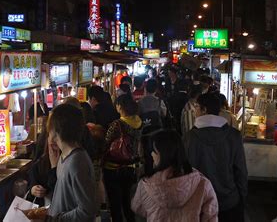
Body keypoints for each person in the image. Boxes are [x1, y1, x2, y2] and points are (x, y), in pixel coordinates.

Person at [184, 93, 248, 222]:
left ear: (204, 109)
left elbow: (186, 171)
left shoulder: (189, 137)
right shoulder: (234, 136)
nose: (194, 111)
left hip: (200, 202)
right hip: (229, 201)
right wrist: (242, 198)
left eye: (196, 107)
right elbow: (241, 170)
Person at [131, 130, 218, 221]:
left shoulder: (145, 186)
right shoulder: (203, 184)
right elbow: (210, 217)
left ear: (163, 154)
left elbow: (138, 208)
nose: (152, 154)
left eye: (154, 151)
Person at [47, 104, 97, 221]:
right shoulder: (64, 157)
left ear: (56, 130)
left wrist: (56, 219)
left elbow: (87, 210)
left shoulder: (77, 163)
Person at [103, 94, 142, 222]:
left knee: (115, 203)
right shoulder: (139, 122)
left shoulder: (117, 124)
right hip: (131, 167)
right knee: (127, 201)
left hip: (113, 168)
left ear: (120, 106)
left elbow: (106, 143)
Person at [26, 130, 59, 207]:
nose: (55, 141)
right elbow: (31, 185)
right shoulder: (39, 163)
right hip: (42, 211)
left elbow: (60, 191)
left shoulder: (68, 160)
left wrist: (54, 167)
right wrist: (33, 190)